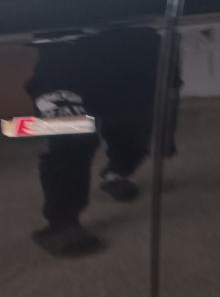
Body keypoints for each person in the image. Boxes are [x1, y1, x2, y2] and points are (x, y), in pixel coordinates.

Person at [25, 27, 160, 256]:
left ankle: (117, 173)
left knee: (132, 126)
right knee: (70, 136)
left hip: (132, 45)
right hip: (62, 48)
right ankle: (62, 221)